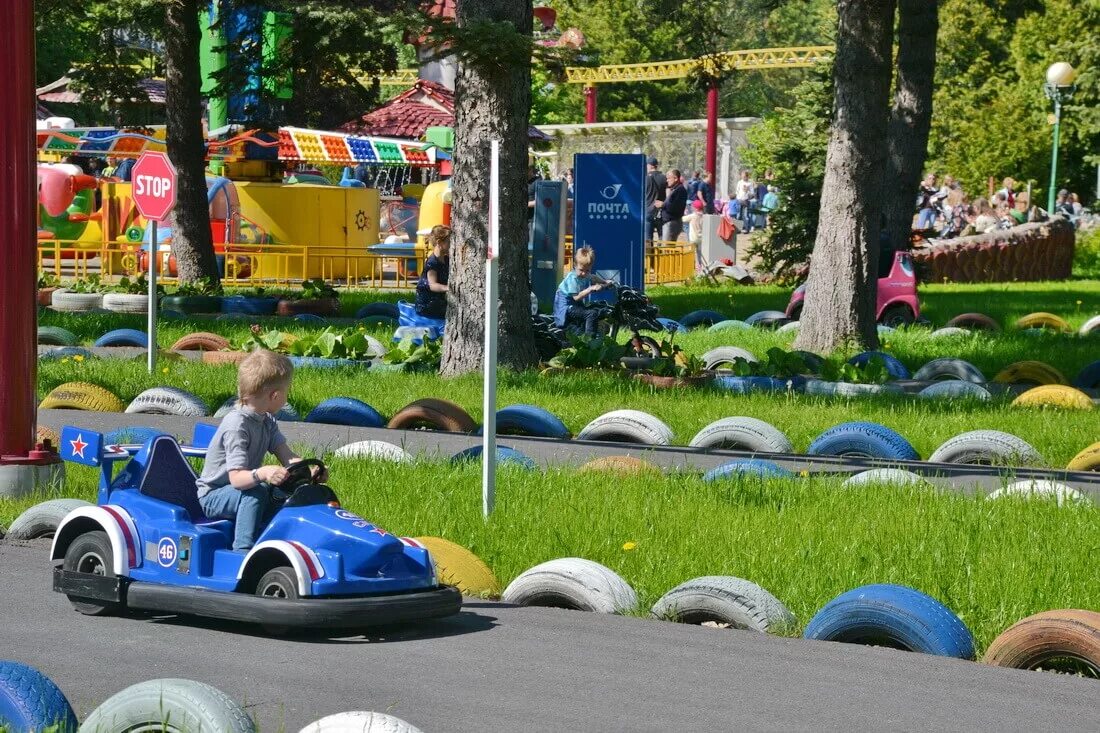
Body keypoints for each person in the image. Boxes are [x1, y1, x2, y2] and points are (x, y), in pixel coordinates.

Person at [196, 350, 324, 551]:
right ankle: (243, 550)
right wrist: (263, 472)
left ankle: (285, 539)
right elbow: (237, 479)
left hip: (242, 489)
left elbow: (286, 456)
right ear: (275, 396)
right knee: (256, 491)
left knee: (284, 488)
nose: (287, 396)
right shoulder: (236, 425)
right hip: (214, 496)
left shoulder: (267, 420)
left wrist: (309, 471)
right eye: (287, 391)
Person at [553, 245, 608, 338]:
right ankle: (589, 341)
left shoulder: (586, 274)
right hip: (566, 308)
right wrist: (590, 289)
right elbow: (577, 297)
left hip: (575, 305)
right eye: (581, 270)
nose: (584, 273)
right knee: (591, 314)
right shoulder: (572, 278)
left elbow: (593, 277)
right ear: (574, 265)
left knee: (598, 308)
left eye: (587, 270)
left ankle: (597, 332)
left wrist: (605, 282)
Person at [415, 225, 451, 318]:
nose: (452, 244)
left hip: (438, 301)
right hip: (427, 304)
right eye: (449, 242)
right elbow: (432, 285)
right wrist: (448, 288)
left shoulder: (447, 259)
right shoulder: (432, 262)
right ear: (439, 242)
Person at [661, 169, 688, 242]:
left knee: (667, 248)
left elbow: (673, 208)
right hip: (669, 222)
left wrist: (663, 203)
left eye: (669, 178)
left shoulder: (680, 190)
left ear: (675, 178)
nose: (667, 180)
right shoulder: (675, 189)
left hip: (672, 223)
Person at [644, 156, 667, 241]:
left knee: (648, 239)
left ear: (650, 166)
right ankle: (661, 253)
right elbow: (668, 194)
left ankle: (650, 254)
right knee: (662, 236)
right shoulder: (664, 178)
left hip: (648, 210)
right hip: (661, 211)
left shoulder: (645, 178)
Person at [682, 199, 706, 270]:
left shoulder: (692, 216)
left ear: (695, 208)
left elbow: (682, 219)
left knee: (691, 252)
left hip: (693, 238)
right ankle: (700, 266)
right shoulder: (704, 216)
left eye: (692, 207)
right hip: (701, 238)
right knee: (700, 253)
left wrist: (684, 214)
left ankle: (691, 265)